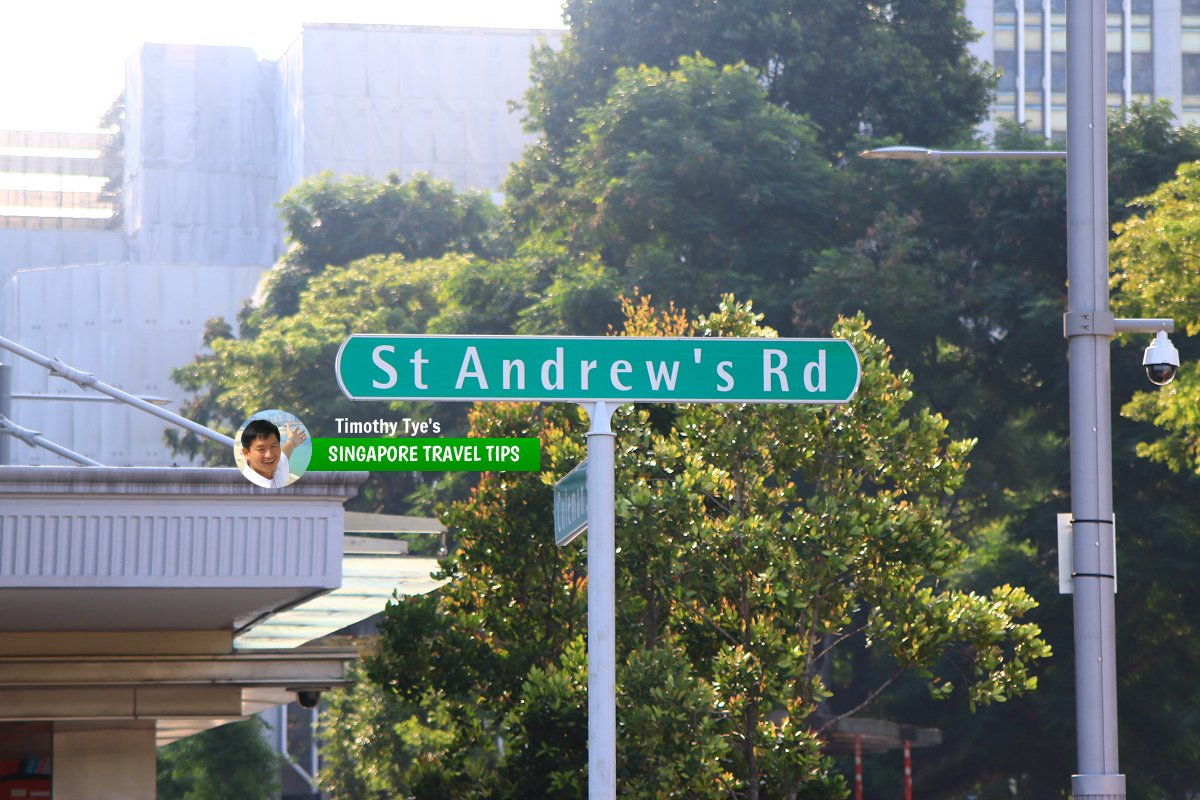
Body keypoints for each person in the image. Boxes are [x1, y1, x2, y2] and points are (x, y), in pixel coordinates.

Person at [239, 418, 307, 488]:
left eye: (273, 446)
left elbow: (284, 454)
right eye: (261, 449)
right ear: (246, 453)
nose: (269, 455)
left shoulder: (278, 466)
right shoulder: (244, 487)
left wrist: (291, 441)